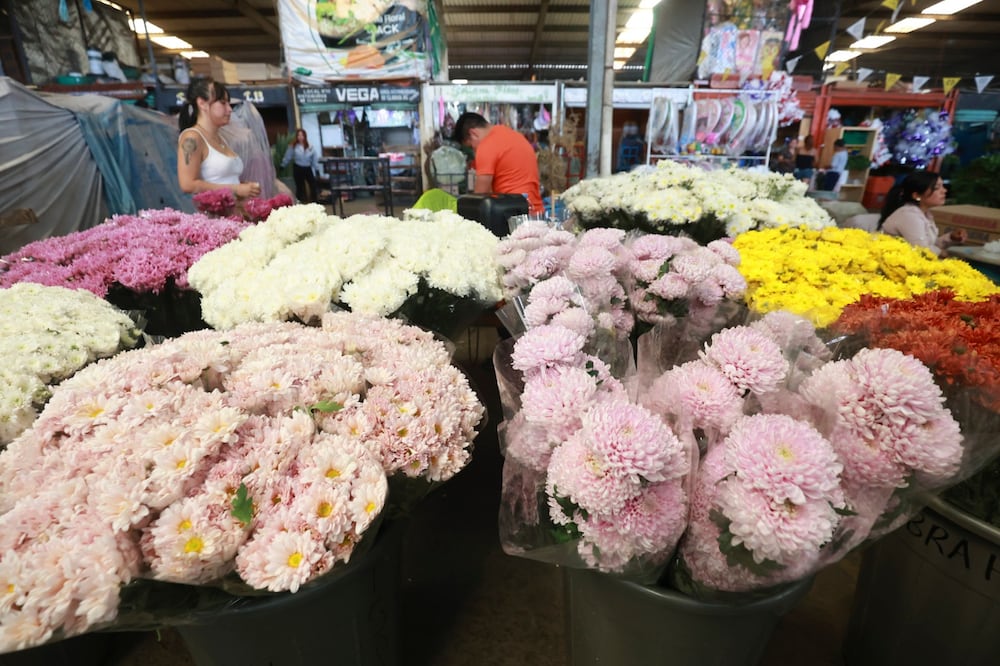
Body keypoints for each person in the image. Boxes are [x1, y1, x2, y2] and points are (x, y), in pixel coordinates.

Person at [177, 78, 261, 199]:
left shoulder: (220, 137)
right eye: (223, 103)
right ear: (202, 104)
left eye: (228, 103)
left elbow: (221, 180)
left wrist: (243, 187)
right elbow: (187, 184)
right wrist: (235, 189)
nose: (229, 109)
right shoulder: (192, 137)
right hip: (212, 215)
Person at [453, 112, 544, 214]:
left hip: (513, 215)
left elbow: (479, 195)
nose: (474, 151)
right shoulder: (512, 135)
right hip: (536, 211)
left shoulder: (486, 146)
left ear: (473, 133)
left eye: (471, 146)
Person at [879, 171, 966, 257]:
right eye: (936, 188)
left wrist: (950, 238)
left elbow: (929, 245)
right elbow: (922, 250)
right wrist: (942, 253)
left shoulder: (925, 214)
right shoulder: (909, 215)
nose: (944, 191)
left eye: (943, 186)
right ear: (916, 195)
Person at [281, 129, 322, 203]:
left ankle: (315, 201)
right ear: (297, 137)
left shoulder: (310, 146)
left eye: (302, 135)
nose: (300, 137)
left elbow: (314, 158)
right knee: (300, 187)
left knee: (313, 184)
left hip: (307, 168)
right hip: (298, 168)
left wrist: (317, 168)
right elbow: (288, 156)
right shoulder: (293, 146)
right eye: (298, 135)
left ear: (305, 136)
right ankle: (299, 202)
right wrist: (283, 165)